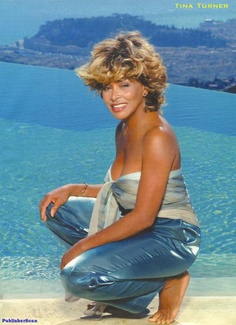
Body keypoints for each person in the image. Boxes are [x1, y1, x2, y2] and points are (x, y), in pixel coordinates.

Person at [39, 31, 201, 324]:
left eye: (124, 85)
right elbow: (123, 189)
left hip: (172, 236)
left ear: (145, 87)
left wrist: (79, 249)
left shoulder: (157, 137)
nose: (114, 96)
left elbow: (143, 217)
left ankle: (166, 281)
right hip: (139, 222)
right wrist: (73, 189)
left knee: (77, 276)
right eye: (106, 87)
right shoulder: (124, 128)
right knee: (55, 210)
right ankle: (127, 276)